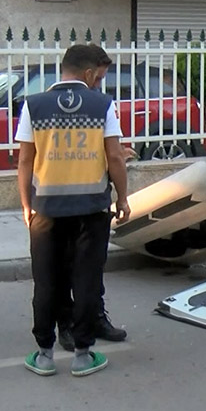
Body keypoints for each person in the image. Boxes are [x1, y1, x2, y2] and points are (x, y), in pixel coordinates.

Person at [17, 45, 131, 377]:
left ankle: (43, 355)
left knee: (46, 281)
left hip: (47, 210)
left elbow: (25, 160)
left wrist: (26, 204)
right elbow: (114, 157)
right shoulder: (102, 106)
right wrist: (122, 198)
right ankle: (83, 355)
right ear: (90, 73)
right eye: (101, 76)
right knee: (87, 279)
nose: (101, 82)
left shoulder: (34, 106)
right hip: (92, 210)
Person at [55, 144, 139, 353]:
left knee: (91, 268)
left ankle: (94, 317)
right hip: (59, 197)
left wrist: (117, 152)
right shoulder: (49, 111)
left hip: (92, 199)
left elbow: (106, 145)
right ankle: (66, 324)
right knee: (66, 266)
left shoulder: (103, 110)